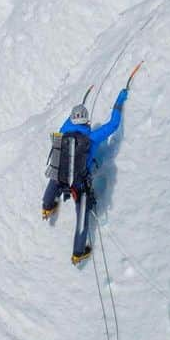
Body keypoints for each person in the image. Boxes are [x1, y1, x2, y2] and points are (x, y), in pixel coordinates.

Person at [43, 88, 128, 265]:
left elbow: (70, 120)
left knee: (57, 176)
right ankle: (78, 252)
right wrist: (119, 103)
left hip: (60, 177)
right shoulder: (92, 137)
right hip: (80, 183)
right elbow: (113, 125)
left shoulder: (64, 129)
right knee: (82, 214)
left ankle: (47, 205)